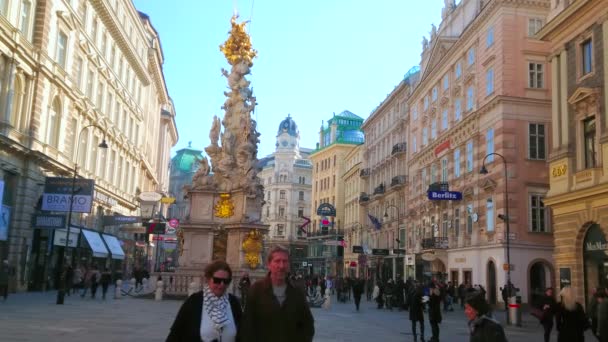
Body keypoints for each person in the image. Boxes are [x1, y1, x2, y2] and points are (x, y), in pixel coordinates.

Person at [242, 245, 314, 342]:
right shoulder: (256, 290)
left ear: (288, 265)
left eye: (285, 261)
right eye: (277, 261)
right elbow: (247, 326)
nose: (281, 266)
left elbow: (307, 325)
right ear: (269, 264)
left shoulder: (297, 292)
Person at [167, 260, 242, 342]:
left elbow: (242, 332)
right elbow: (176, 333)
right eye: (217, 280)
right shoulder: (194, 302)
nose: (221, 284)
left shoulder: (233, 302)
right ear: (208, 279)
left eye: (226, 281)